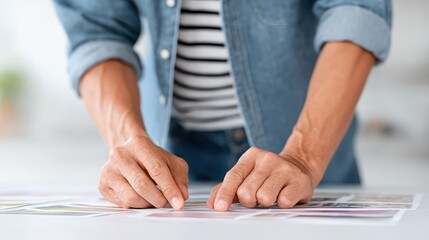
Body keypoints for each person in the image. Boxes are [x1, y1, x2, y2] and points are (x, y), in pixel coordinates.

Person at [54, 0, 392, 211]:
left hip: (308, 151)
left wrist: (303, 156)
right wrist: (126, 141)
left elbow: (355, 10)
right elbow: (96, 30)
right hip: (171, 157)